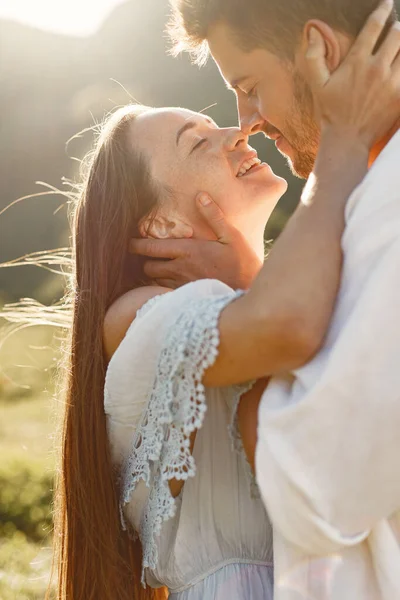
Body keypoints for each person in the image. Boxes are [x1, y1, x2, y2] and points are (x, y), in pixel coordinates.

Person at [44, 5, 400, 600]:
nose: (238, 130)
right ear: (158, 224)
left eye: (244, 93)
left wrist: (245, 274)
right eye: (196, 142)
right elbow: (286, 327)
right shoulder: (138, 319)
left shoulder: (251, 293)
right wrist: (342, 140)